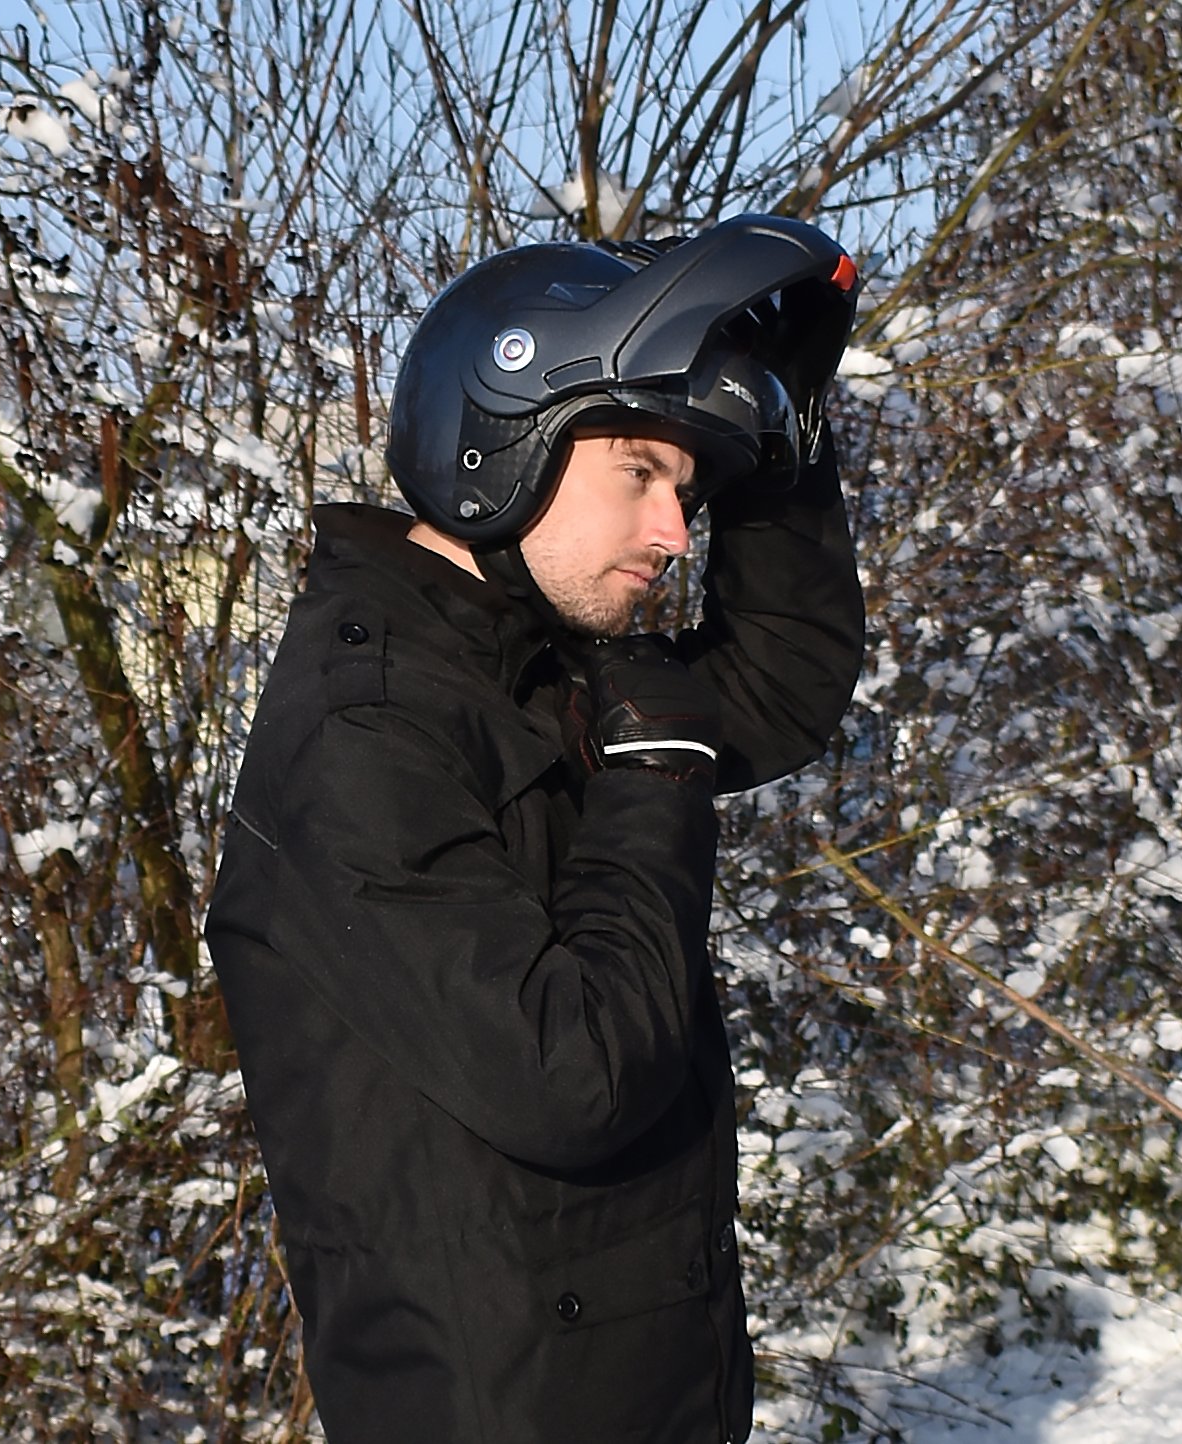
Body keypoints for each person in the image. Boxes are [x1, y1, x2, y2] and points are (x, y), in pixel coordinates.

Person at [204, 214, 865, 1444]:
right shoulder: (363, 739)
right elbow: (574, 1070)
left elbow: (781, 685)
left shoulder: (533, 668)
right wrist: (650, 781)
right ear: (499, 446)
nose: (675, 533)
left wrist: (783, 446)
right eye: (638, 475)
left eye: (687, 490)